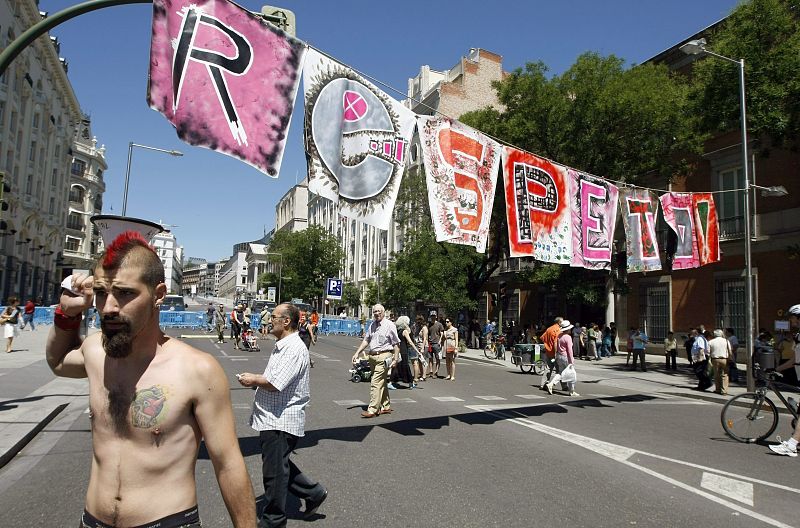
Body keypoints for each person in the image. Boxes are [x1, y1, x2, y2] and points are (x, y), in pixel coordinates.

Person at [45, 231, 256, 528]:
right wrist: (66, 315)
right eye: (102, 293)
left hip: (166, 521)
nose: (109, 307)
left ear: (158, 295)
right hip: (92, 521)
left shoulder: (197, 370)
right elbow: (58, 362)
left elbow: (228, 463)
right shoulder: (95, 351)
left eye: (125, 293)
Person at [237, 303, 328, 525]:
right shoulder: (283, 345)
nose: (268, 319)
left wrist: (253, 379)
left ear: (286, 321)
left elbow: (276, 383)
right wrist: (257, 382)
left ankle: (273, 520)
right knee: (278, 464)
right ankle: (313, 493)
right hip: (272, 417)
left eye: (274, 317)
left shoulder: (294, 348)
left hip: (281, 419)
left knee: (274, 474)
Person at [351, 304, 400, 418]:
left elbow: (396, 344)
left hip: (384, 356)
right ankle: (386, 406)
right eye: (375, 312)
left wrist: (396, 359)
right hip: (372, 357)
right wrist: (357, 352)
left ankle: (373, 409)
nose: (376, 313)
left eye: (379, 311)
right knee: (381, 381)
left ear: (383, 312)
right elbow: (366, 340)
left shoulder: (389, 325)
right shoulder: (372, 325)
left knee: (375, 382)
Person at [770, 304, 800, 457]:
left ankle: (792, 445)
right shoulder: (798, 336)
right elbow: (794, 360)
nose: (791, 319)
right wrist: (777, 369)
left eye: (793, 317)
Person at [545, 319, 579, 397]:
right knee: (572, 374)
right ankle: (572, 391)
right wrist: (571, 360)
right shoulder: (568, 337)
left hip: (559, 356)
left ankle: (551, 384)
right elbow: (570, 350)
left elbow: (556, 345)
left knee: (560, 373)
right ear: (568, 329)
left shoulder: (559, 335)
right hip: (566, 357)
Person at [390, 315, 417, 389]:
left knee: (397, 366)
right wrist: (417, 350)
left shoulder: (398, 331)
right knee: (405, 366)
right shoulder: (405, 331)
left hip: (398, 350)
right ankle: (409, 382)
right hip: (404, 350)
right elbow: (410, 342)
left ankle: (393, 382)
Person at [538, 317, 563, 390]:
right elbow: (556, 342)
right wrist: (556, 353)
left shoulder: (549, 329)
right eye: (562, 322)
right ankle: (564, 386)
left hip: (548, 352)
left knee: (548, 368)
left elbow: (542, 338)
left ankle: (542, 384)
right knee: (560, 369)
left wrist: (547, 345)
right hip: (555, 353)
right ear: (559, 322)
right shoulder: (558, 330)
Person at [708, 329, 732, 395]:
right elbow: (730, 350)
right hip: (725, 359)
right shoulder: (726, 341)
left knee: (716, 374)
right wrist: (730, 357)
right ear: (721, 334)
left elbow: (707, 351)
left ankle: (718, 389)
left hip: (715, 359)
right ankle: (724, 390)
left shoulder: (711, 341)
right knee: (725, 375)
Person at [412, 315, 429, 383]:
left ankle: (424, 375)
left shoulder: (424, 328)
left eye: (419, 320)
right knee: (419, 360)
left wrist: (422, 347)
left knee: (423, 360)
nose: (417, 322)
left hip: (423, 345)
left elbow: (425, 338)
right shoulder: (418, 327)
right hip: (418, 345)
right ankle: (421, 374)